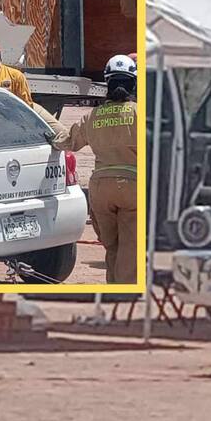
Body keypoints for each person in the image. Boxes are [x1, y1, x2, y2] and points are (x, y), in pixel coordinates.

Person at [59, 54, 137, 284]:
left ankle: (113, 291)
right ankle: (124, 298)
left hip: (100, 189)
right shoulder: (139, 113)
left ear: (107, 83)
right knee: (129, 252)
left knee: (112, 248)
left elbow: (67, 141)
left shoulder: (93, 115)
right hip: (132, 186)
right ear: (134, 83)